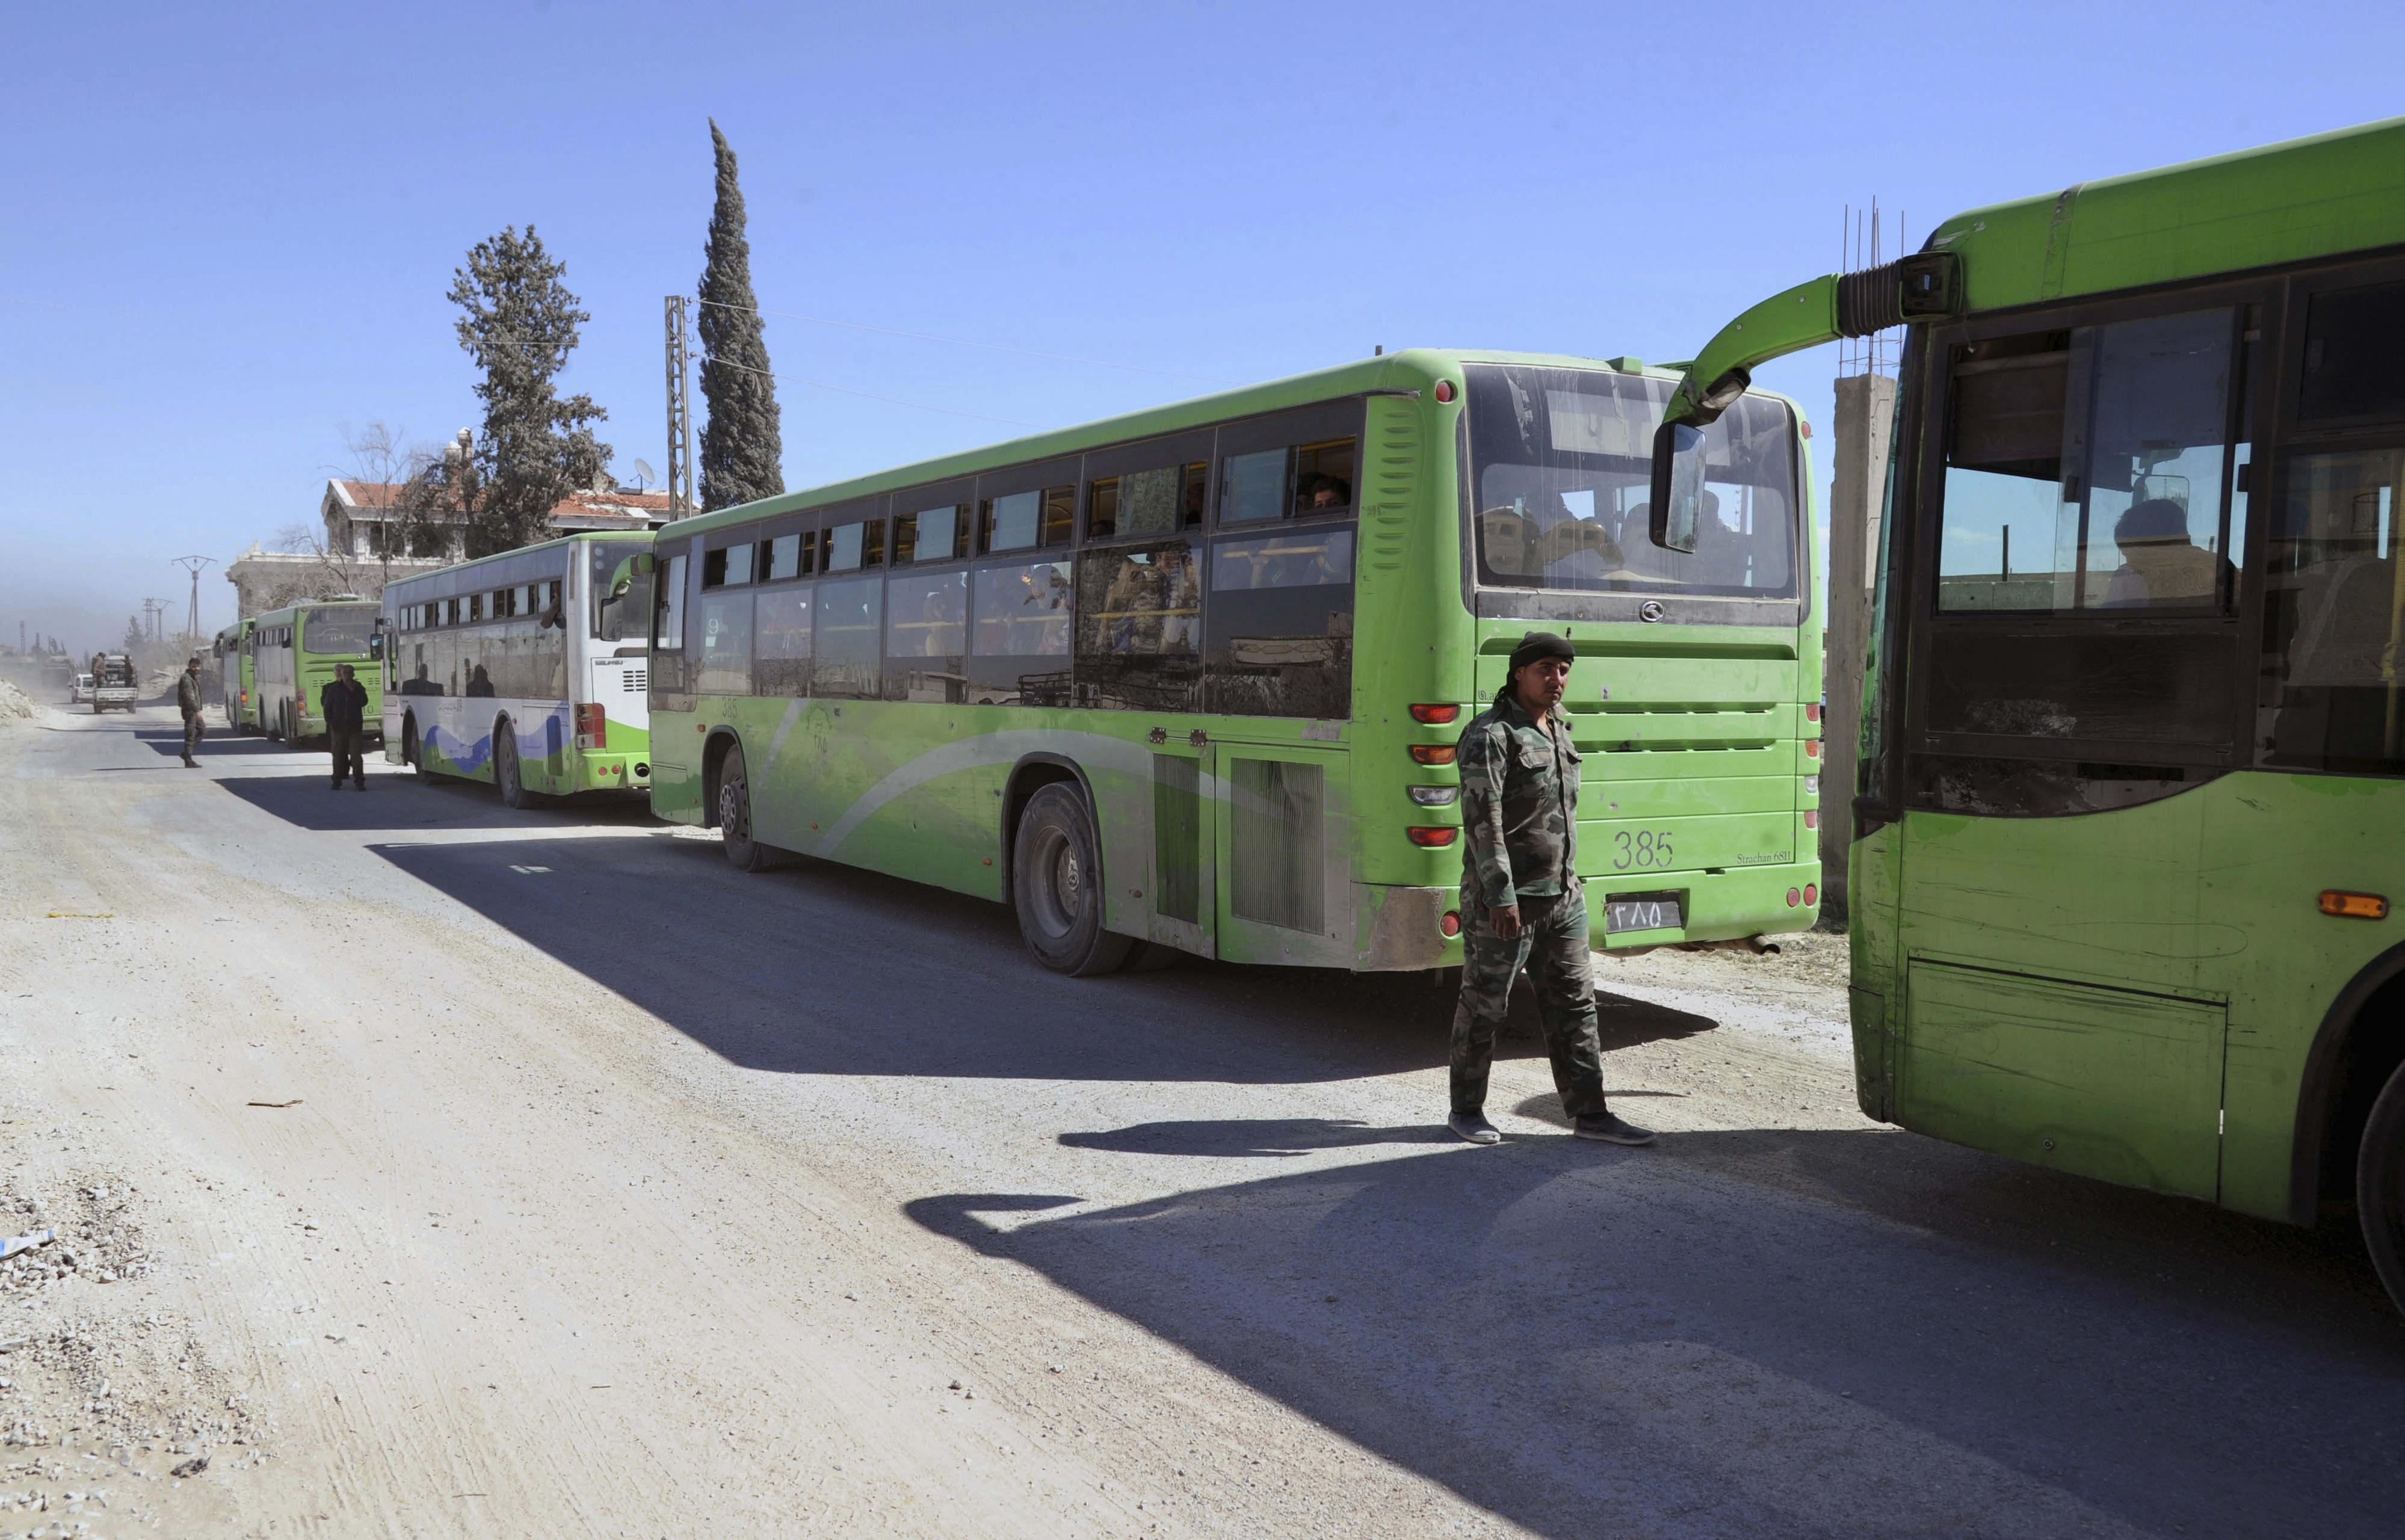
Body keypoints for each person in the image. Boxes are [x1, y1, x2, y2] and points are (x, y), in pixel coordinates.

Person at [1446, 631, 1654, 1147]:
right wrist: (1499, 896)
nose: (1556, 680)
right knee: (1485, 1005)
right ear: (1518, 672)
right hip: (1507, 903)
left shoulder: (1558, 727)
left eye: (1563, 670)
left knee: (1575, 1006)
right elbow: (1482, 823)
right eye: (1545, 669)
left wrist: (1571, 885)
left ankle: (1591, 1115)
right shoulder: (1490, 735)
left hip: (1562, 898)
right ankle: (1466, 1110)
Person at [2102, 497, 2217, 607]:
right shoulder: (2220, 566)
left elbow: (2106, 623)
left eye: (2127, 553)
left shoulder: (2129, 575)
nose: (2128, 560)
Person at [321, 662, 369, 791]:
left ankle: (359, 781)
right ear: (341, 674)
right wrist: (331, 723)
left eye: (349, 672)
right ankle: (337, 780)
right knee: (338, 755)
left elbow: (364, 701)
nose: (347, 675)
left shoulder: (358, 687)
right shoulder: (334, 689)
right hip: (338, 728)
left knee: (356, 756)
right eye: (345, 672)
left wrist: (353, 690)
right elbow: (327, 707)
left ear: (353, 674)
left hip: (354, 728)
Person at [174, 654, 205, 768]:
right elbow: (189, 697)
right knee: (190, 735)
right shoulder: (187, 678)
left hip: (193, 711)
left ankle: (186, 754)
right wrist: (197, 711)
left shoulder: (193, 677)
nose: (196, 669)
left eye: (198, 666)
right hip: (190, 711)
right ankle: (188, 759)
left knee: (203, 731)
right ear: (189, 666)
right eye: (194, 666)